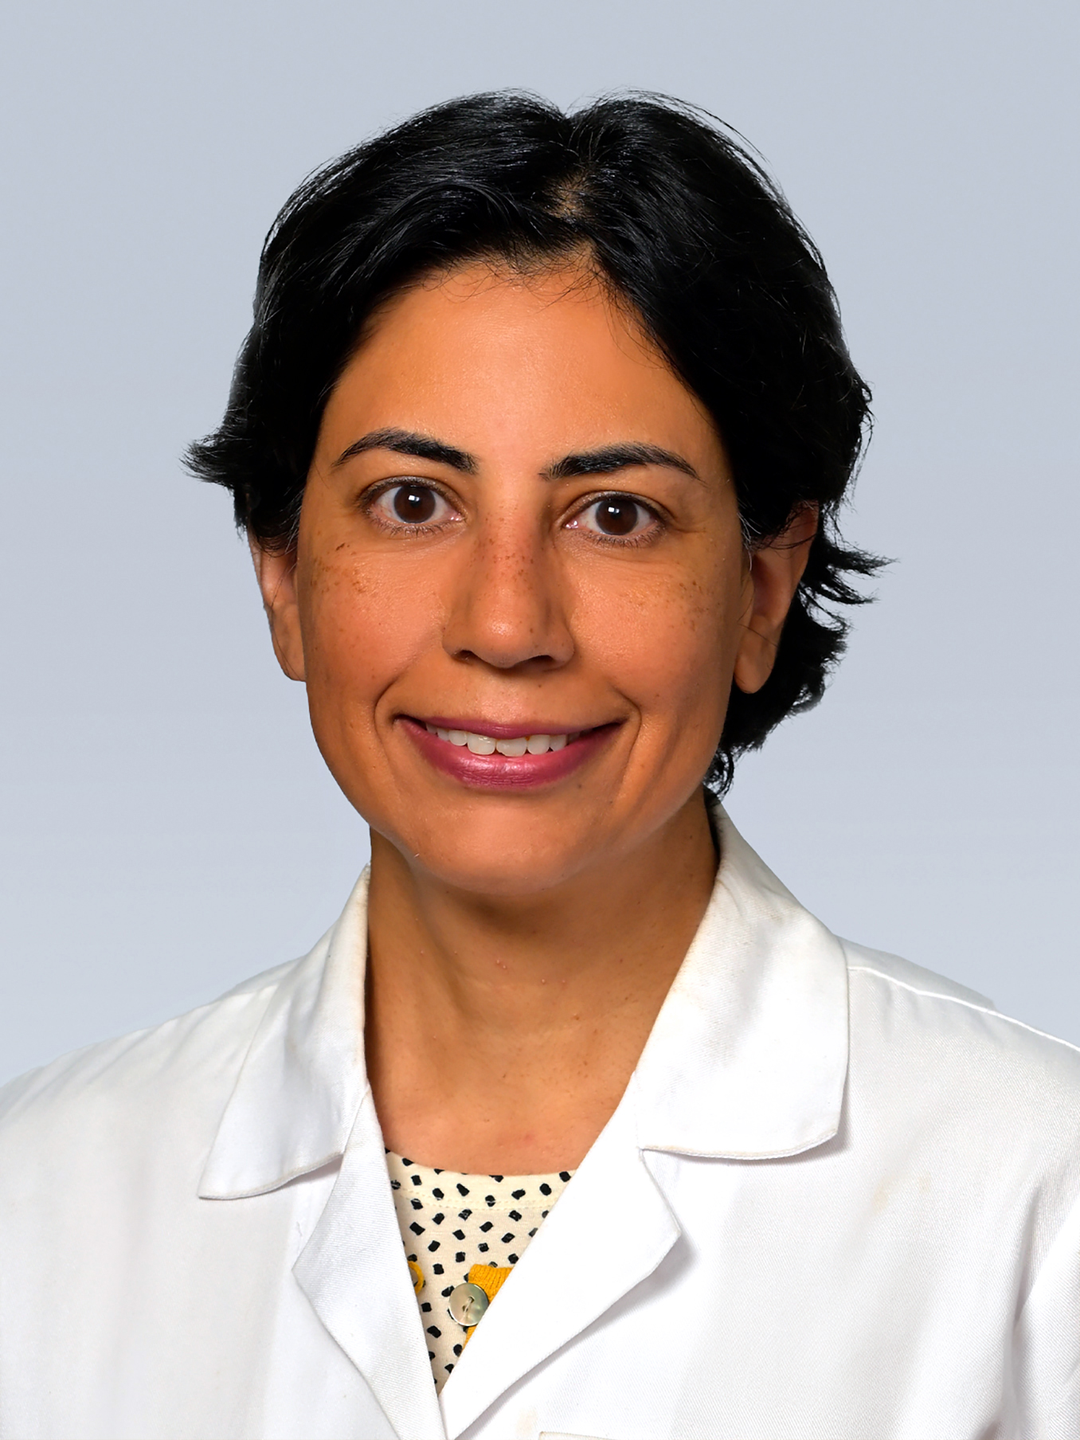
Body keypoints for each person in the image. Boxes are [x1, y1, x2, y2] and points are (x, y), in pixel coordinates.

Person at [0, 91, 1076, 1440]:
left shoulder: (1039, 1199)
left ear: (763, 587)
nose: (507, 625)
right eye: (413, 502)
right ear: (280, 571)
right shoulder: (40, 1196)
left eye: (615, 515)